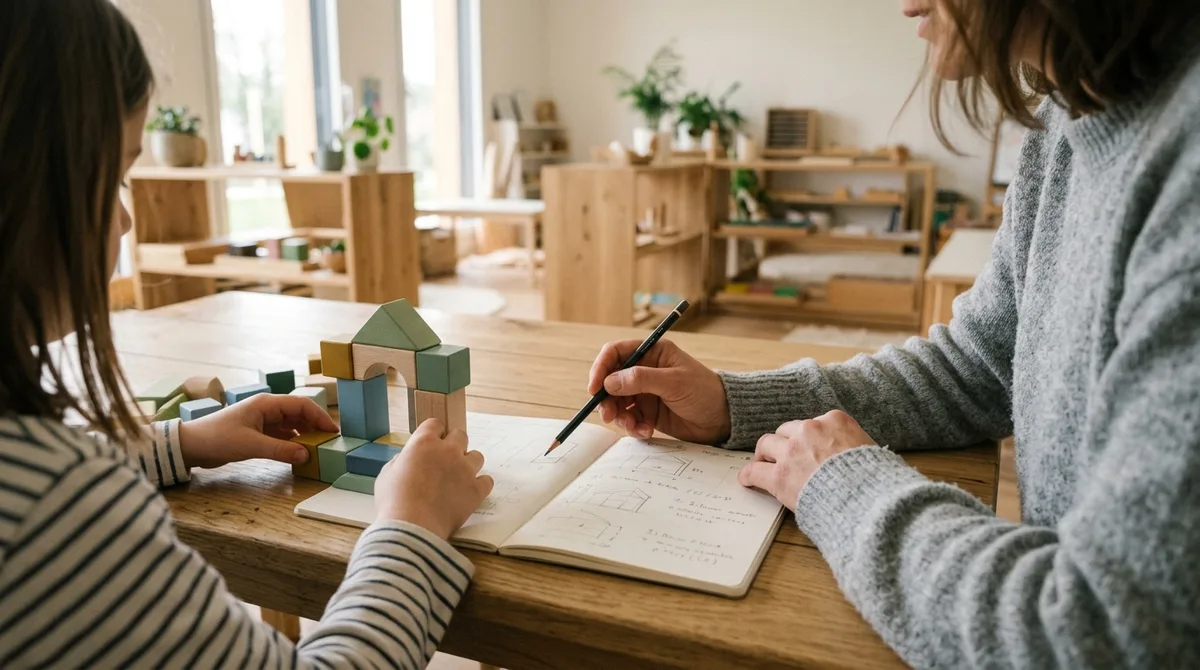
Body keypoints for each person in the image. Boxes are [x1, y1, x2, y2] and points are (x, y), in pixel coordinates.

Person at [590, 0, 1200, 667]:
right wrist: (732, 405)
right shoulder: (1066, 115)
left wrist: (844, 484)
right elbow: (980, 364)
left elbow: (1101, 634)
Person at [0, 1, 493, 667]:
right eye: (111, 175)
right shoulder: (57, 508)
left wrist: (178, 442)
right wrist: (412, 524)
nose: (123, 220)